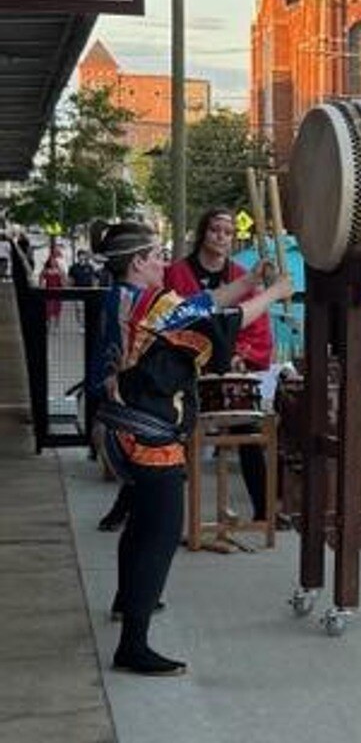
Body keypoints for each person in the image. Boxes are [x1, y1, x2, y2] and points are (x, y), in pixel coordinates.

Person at [92, 217, 292, 676]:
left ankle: (128, 602)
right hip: (149, 434)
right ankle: (133, 644)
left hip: (122, 426)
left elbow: (197, 304)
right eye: (157, 256)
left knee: (141, 524)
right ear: (138, 262)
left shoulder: (121, 299)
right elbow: (222, 322)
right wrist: (274, 294)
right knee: (160, 533)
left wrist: (245, 281)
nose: (164, 262)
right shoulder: (154, 304)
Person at [164, 207, 276, 522]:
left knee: (248, 432)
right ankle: (155, 513)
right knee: (170, 435)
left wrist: (239, 354)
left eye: (228, 233)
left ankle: (264, 511)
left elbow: (255, 321)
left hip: (228, 369)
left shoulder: (241, 275)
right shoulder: (177, 273)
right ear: (203, 232)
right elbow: (172, 320)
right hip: (184, 366)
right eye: (215, 230)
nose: (221, 237)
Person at [39, 244, 66, 324]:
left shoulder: (60, 269)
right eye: (52, 261)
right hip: (49, 290)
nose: (53, 262)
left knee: (57, 307)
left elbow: (63, 278)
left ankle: (56, 322)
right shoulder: (46, 270)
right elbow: (41, 277)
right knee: (48, 307)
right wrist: (41, 285)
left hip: (57, 291)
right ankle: (49, 321)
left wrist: (63, 285)